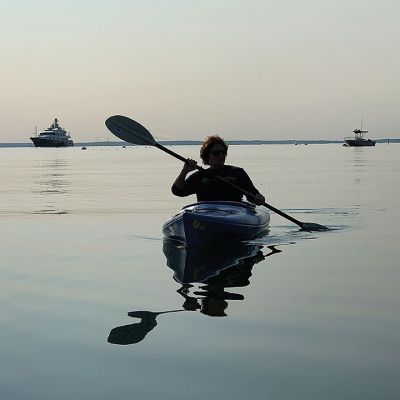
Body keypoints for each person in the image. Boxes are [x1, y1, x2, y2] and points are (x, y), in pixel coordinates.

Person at [171, 135, 265, 205]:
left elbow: (253, 194)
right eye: (216, 153)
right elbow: (177, 191)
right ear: (207, 156)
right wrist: (184, 171)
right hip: (207, 214)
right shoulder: (199, 176)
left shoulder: (237, 172)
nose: (221, 155)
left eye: (223, 152)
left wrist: (259, 198)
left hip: (234, 212)